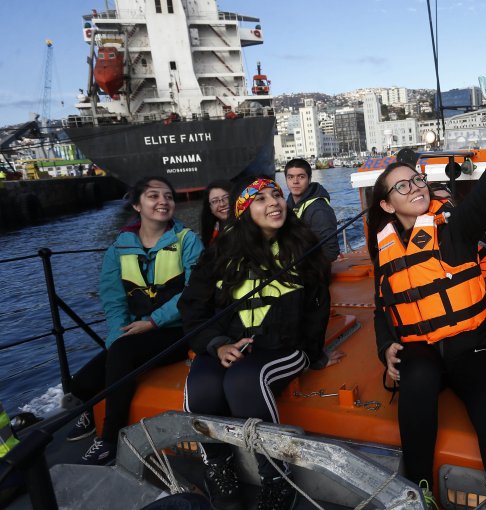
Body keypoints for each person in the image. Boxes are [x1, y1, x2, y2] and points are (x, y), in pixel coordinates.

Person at [368, 80, 486, 509]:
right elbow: (383, 306)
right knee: (415, 381)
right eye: (402, 186)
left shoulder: (454, 231)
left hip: (474, 345)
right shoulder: (384, 247)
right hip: (423, 350)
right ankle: (418, 492)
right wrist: (386, 347)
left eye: (417, 180)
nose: (416, 187)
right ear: (386, 205)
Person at [179, 177, 342, 510]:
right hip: (229, 343)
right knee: (202, 385)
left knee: (244, 381)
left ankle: (275, 476)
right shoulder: (220, 253)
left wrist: (315, 355)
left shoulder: (303, 248)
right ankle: (218, 467)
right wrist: (216, 344)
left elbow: (316, 306)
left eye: (277, 195)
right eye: (260, 199)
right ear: (243, 212)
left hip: (283, 347)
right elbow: (193, 306)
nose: (273, 202)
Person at [66, 176, 202, 465]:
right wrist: (117, 336)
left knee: (124, 353)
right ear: (137, 204)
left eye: (168, 196)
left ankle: (109, 439)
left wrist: (152, 322)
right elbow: (113, 298)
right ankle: (90, 411)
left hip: (178, 331)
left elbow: (194, 292)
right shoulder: (119, 247)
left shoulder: (186, 240)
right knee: (79, 384)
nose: (163, 201)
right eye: (153, 196)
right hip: (137, 333)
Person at [284, 158, 340, 262]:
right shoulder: (288, 204)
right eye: (290, 177)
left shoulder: (319, 210)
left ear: (309, 179)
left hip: (310, 271)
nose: (295, 181)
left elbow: (331, 252)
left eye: (301, 177)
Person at [200, 180, 232, 246]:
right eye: (215, 201)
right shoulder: (211, 232)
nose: (222, 204)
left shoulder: (250, 227)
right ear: (210, 208)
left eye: (226, 197)